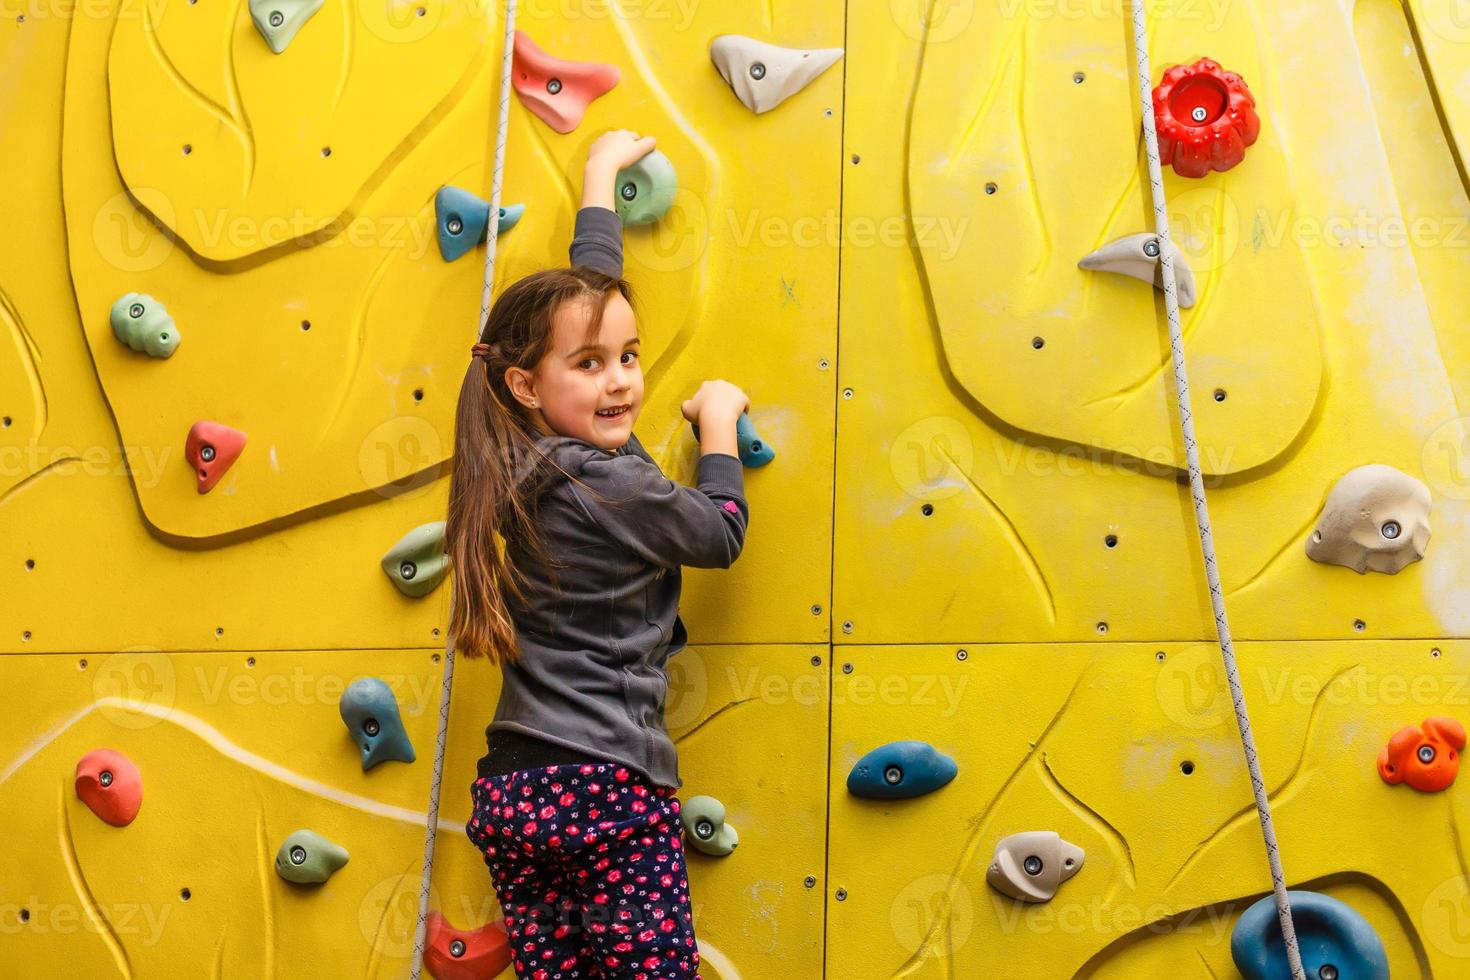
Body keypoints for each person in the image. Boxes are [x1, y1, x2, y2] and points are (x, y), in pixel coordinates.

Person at [446, 129, 751, 980]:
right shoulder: (608, 484)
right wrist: (718, 421)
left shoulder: (513, 462)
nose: (619, 380)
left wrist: (600, 179)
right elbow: (717, 531)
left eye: (628, 357)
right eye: (591, 365)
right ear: (527, 387)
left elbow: (583, 307)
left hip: (513, 793)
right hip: (604, 786)